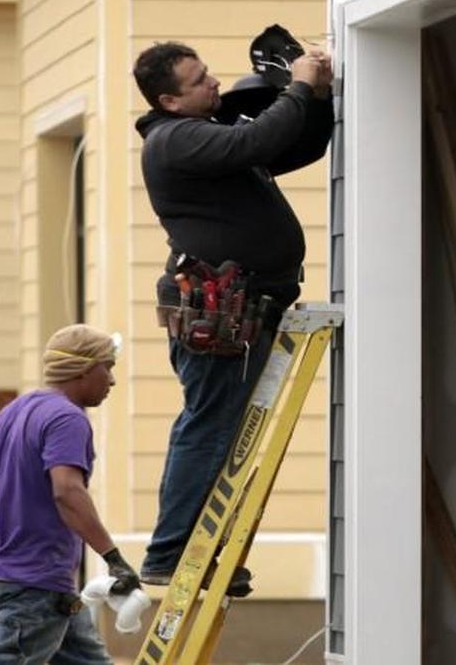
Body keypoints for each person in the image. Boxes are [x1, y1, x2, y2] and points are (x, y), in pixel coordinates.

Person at [131, 41, 334, 594]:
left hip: (244, 308)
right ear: (170, 100)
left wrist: (315, 97)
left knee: (224, 430)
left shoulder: (206, 142)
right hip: (222, 311)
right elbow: (258, 138)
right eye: (199, 81)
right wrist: (297, 84)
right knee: (209, 427)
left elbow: (297, 146)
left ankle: (205, 549)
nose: (214, 84)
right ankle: (172, 554)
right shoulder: (176, 140)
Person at [0, 324, 140, 665]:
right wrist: (113, 558)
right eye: (106, 368)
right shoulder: (67, 419)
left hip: (25, 576)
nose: (111, 380)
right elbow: (66, 492)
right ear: (82, 371)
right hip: (36, 582)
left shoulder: (11, 413)